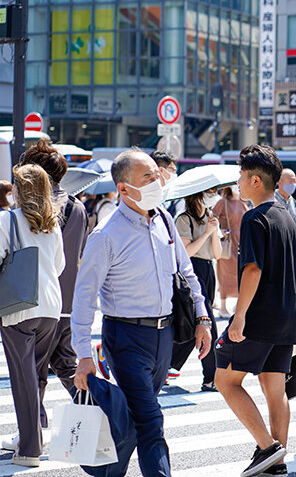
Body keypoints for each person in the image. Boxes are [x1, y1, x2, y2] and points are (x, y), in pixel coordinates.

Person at [72, 149, 212, 477]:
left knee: (136, 419)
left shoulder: (163, 217)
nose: (157, 181)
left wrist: (203, 318)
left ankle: (107, 472)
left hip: (165, 336)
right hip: (126, 338)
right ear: (123, 189)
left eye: (156, 174)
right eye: (147, 177)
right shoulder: (105, 235)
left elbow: (186, 272)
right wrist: (83, 354)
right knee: (152, 422)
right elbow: (83, 297)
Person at [214, 145, 296, 477]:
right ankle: (275, 463)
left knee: (225, 380)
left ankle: (268, 447)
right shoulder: (286, 216)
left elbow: (252, 270)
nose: (237, 181)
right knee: (274, 390)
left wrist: (239, 317)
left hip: (260, 316)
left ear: (253, 180)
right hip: (287, 316)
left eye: (239, 175)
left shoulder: (255, 217)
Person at [5, 142, 89, 453]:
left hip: (27, 299)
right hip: (63, 301)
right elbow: (71, 258)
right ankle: (97, 413)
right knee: (63, 365)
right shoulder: (76, 207)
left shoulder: (31, 208)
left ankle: (33, 435)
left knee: (35, 371)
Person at [0, 164, 65, 468]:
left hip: (19, 307)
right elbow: (60, 265)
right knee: (35, 377)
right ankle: (30, 438)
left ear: (20, 189)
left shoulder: (7, 220)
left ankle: (29, 449)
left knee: (23, 379)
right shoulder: (52, 223)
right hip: (51, 307)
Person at [171, 188, 223, 392]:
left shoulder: (210, 218)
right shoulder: (184, 219)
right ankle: (211, 377)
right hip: (192, 271)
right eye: (209, 192)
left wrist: (214, 231)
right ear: (198, 195)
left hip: (208, 271)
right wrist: (208, 233)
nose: (213, 195)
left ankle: (169, 365)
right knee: (207, 324)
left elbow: (217, 254)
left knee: (195, 325)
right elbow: (185, 252)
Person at [213, 184, 250, 317]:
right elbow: (213, 217)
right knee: (225, 274)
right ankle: (222, 306)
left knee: (239, 273)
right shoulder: (223, 202)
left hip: (240, 242)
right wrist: (219, 231)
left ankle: (238, 303)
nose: (237, 186)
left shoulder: (242, 202)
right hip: (227, 243)